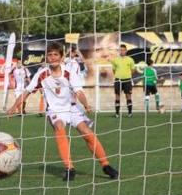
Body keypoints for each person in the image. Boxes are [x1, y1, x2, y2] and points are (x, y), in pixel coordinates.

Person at [8, 43, 119, 182]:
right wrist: (13, 107)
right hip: (55, 110)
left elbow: (79, 92)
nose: (52, 57)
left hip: (72, 108)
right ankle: (69, 168)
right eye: (50, 54)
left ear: (61, 57)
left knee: (87, 133)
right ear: (47, 57)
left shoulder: (69, 72)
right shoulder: (41, 74)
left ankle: (105, 165)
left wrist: (86, 104)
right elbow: (26, 92)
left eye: (56, 54)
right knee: (60, 128)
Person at [110, 44, 136, 118]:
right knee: (117, 96)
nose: (122, 51)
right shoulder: (115, 60)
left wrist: (127, 75)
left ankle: (130, 113)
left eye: (123, 50)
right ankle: (117, 113)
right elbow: (114, 70)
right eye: (120, 50)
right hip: (118, 80)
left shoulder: (130, 60)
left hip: (127, 80)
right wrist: (119, 76)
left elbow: (133, 70)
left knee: (128, 96)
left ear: (126, 51)